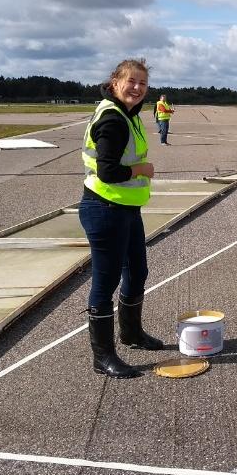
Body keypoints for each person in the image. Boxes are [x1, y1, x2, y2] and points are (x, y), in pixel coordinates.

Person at [79, 58, 164, 379]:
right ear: (115, 81)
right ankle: (103, 357)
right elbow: (108, 171)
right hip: (104, 209)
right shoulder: (113, 119)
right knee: (105, 282)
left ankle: (132, 334)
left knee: (138, 271)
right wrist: (142, 170)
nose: (138, 88)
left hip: (126, 209)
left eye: (143, 83)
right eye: (132, 81)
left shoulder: (129, 115)